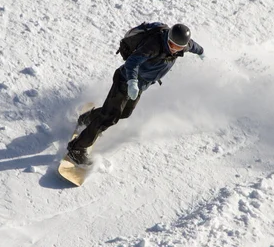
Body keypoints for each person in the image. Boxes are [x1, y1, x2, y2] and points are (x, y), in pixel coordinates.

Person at [67, 23, 205, 165]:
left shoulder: (182, 45)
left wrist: (201, 52)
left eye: (179, 47)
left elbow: (193, 46)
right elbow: (132, 62)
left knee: (125, 113)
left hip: (140, 85)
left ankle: (87, 118)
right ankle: (76, 148)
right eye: (172, 45)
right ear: (169, 38)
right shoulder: (154, 45)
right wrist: (132, 81)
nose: (175, 50)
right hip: (125, 80)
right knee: (109, 117)